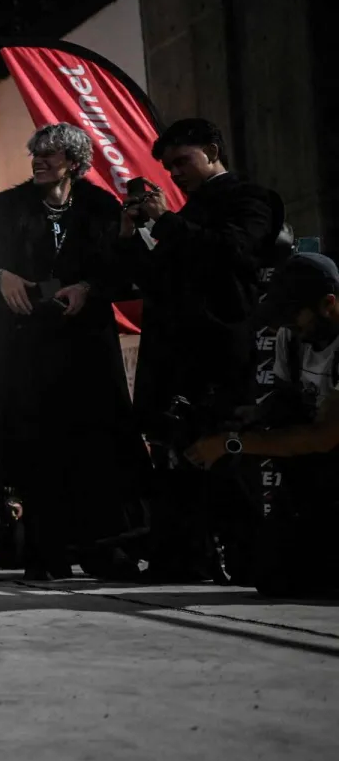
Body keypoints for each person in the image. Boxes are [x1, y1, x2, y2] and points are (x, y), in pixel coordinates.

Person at [0, 123, 148, 579]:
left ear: (75, 162)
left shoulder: (102, 208)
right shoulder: (8, 209)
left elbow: (128, 271)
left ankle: (103, 548)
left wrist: (88, 286)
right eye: (36, 153)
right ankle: (46, 551)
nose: (39, 160)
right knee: (35, 447)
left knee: (92, 446)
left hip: (84, 349)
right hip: (24, 350)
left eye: (51, 153)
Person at [114, 117, 286, 578]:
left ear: (212, 151)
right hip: (176, 359)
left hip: (220, 353)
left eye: (182, 162)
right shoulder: (182, 216)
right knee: (177, 463)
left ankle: (251, 562)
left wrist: (166, 221)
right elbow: (153, 281)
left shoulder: (250, 199)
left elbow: (233, 251)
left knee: (228, 461)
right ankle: (185, 558)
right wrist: (132, 237)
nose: (176, 174)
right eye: (169, 169)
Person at [185, 253, 339, 595]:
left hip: (329, 457)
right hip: (318, 478)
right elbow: (287, 406)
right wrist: (251, 417)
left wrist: (231, 443)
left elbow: (324, 437)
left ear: (328, 305)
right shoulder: (294, 339)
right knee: (272, 578)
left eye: (294, 316)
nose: (287, 327)